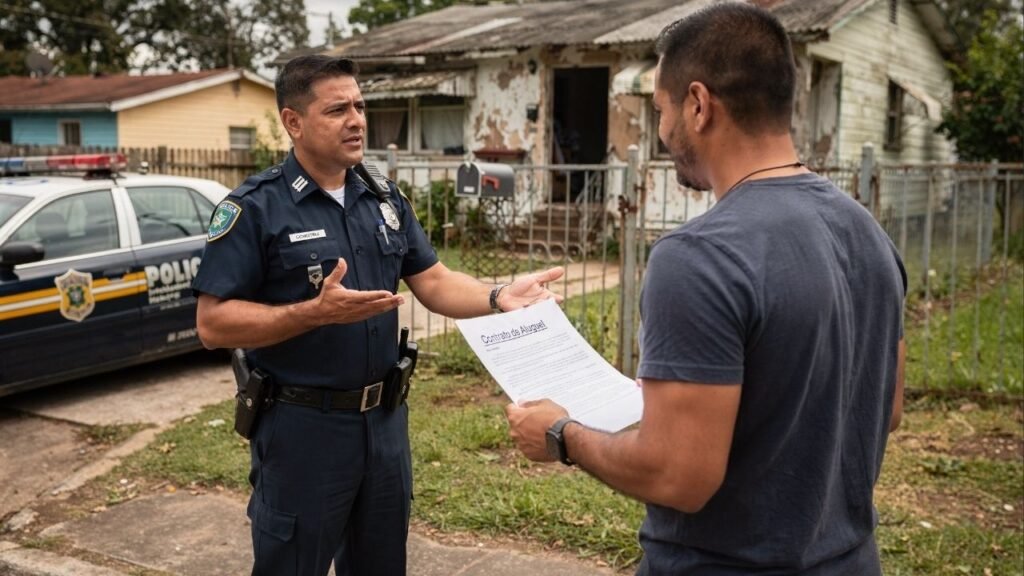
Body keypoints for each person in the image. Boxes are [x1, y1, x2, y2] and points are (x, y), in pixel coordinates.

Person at [505, 4, 907, 575]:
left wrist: (560, 433)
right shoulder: (868, 233)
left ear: (698, 104)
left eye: (661, 111)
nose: (662, 131)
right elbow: (886, 409)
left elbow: (678, 475)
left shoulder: (698, 256)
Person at [192, 55, 563, 576]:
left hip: (385, 424)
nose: (357, 120)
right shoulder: (255, 208)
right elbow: (212, 324)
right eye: (338, 109)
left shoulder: (383, 198)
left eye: (360, 106)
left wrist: (498, 295)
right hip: (303, 429)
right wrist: (312, 314)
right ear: (293, 122)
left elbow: (433, 280)